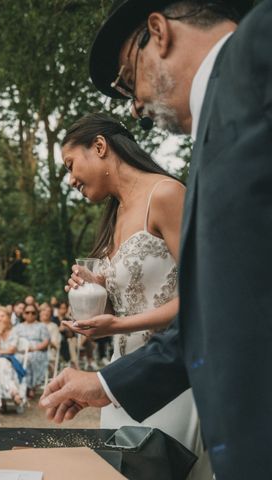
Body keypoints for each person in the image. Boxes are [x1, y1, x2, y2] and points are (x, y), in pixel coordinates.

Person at [40, 0, 271, 477]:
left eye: (129, 80)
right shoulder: (212, 129)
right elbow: (221, 300)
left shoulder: (261, 53)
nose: (135, 105)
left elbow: (203, 302)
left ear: (158, 33)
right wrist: (106, 378)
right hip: (149, 379)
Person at [59, 113, 210, 478]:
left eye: (70, 164)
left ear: (99, 146)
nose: (70, 178)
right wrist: (97, 292)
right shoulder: (115, 215)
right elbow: (132, 302)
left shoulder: (166, 194)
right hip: (121, 379)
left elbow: (202, 299)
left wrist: (119, 322)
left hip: (169, 381)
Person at [13, 303, 50, 398]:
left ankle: (31, 386)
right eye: (27, 312)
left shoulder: (41, 326)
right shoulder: (18, 327)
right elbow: (13, 341)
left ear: (36, 314)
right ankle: (20, 385)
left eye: (33, 313)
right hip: (21, 351)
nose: (30, 314)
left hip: (37, 351)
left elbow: (46, 342)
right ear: (23, 314)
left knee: (30, 358)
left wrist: (33, 348)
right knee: (16, 359)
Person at [0, 307, 25, 409]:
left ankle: (2, 401)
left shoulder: (14, 331)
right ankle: (14, 392)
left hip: (12, 361)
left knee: (1, 363)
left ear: (8, 317)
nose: (0, 319)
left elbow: (11, 350)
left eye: (2, 316)